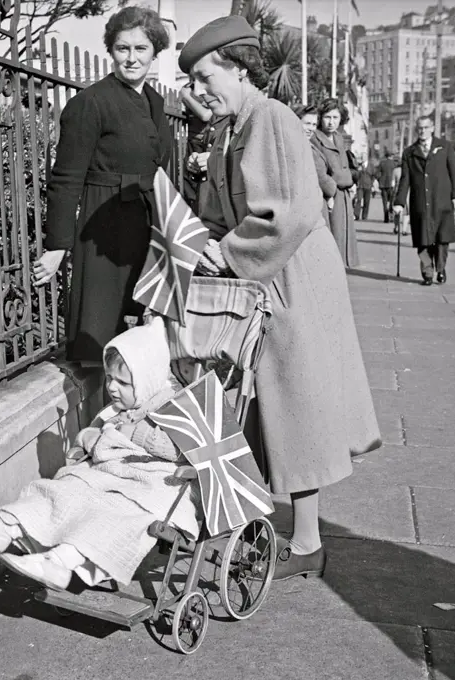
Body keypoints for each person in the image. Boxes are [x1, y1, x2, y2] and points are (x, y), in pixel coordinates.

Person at [179, 16, 381, 581]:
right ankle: (280, 529)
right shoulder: (235, 126)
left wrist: (229, 251)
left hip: (293, 280)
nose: (198, 91)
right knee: (274, 407)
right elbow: (232, 210)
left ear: (239, 68)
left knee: (295, 406)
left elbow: (286, 212)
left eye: (204, 76)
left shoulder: (270, 118)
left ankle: (309, 542)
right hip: (272, 276)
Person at [0, 318, 201, 591]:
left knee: (111, 514)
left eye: (122, 382)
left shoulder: (172, 406)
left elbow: (182, 449)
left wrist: (135, 433)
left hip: (157, 481)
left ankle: (58, 562)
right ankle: (7, 525)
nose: (111, 387)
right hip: (113, 472)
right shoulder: (120, 409)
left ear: (147, 381)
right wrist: (89, 438)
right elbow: (99, 429)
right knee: (64, 489)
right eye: (109, 378)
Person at [32, 6, 172, 364]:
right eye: (122, 48)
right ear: (110, 50)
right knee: (99, 327)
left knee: (140, 325)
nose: (131, 58)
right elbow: (65, 178)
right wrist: (57, 245)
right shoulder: (89, 103)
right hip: (103, 223)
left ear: (154, 51)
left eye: (141, 49)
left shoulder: (155, 102)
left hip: (145, 220)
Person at [393, 115, 455, 286]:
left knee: (442, 239)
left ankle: (440, 267)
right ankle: (427, 272)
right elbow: (405, 179)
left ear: (432, 128)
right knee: (423, 239)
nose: (422, 131)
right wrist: (399, 202)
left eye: (425, 128)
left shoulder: (444, 147)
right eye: (419, 128)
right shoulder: (409, 152)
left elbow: (454, 173)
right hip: (421, 202)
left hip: (442, 200)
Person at [311, 98, 359, 268]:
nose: (331, 122)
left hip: (342, 197)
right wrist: (347, 179)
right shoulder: (315, 139)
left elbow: (343, 169)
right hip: (329, 198)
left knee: (342, 238)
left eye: (335, 118)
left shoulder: (339, 138)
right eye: (327, 117)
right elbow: (327, 174)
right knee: (331, 239)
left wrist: (345, 178)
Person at [180, 83, 229, 213]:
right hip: (195, 142)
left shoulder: (212, 87)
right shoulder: (189, 87)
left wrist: (187, 97)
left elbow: (206, 115)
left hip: (210, 142)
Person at [295, 104, 333, 227]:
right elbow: (321, 177)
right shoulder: (301, 147)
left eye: (314, 125)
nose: (311, 128)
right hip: (309, 208)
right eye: (307, 123)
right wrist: (332, 189)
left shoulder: (309, 145)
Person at [376, 152, 396, 224]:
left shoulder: (382, 163)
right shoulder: (394, 164)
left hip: (383, 185)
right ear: (391, 156)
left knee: (384, 202)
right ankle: (391, 215)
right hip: (391, 185)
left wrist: (379, 180)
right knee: (392, 201)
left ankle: (386, 217)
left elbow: (377, 173)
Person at [391, 158, 408, 236]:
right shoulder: (409, 170)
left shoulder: (395, 171)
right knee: (406, 212)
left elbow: (392, 184)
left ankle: (396, 227)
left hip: (397, 192)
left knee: (397, 211)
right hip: (408, 192)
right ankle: (404, 229)